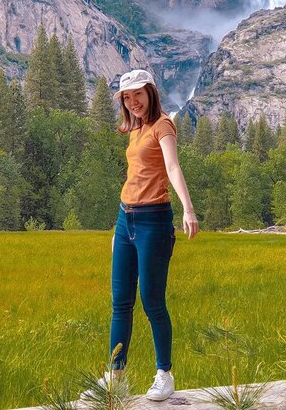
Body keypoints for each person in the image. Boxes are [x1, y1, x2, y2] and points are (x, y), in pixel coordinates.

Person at [81, 69, 199, 402]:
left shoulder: (163, 125)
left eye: (138, 95)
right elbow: (134, 175)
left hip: (154, 221)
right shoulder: (135, 129)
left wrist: (188, 209)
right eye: (127, 98)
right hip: (126, 220)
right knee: (120, 303)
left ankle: (165, 373)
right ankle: (115, 375)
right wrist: (119, 230)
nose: (133, 102)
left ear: (150, 93)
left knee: (152, 301)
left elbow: (173, 167)